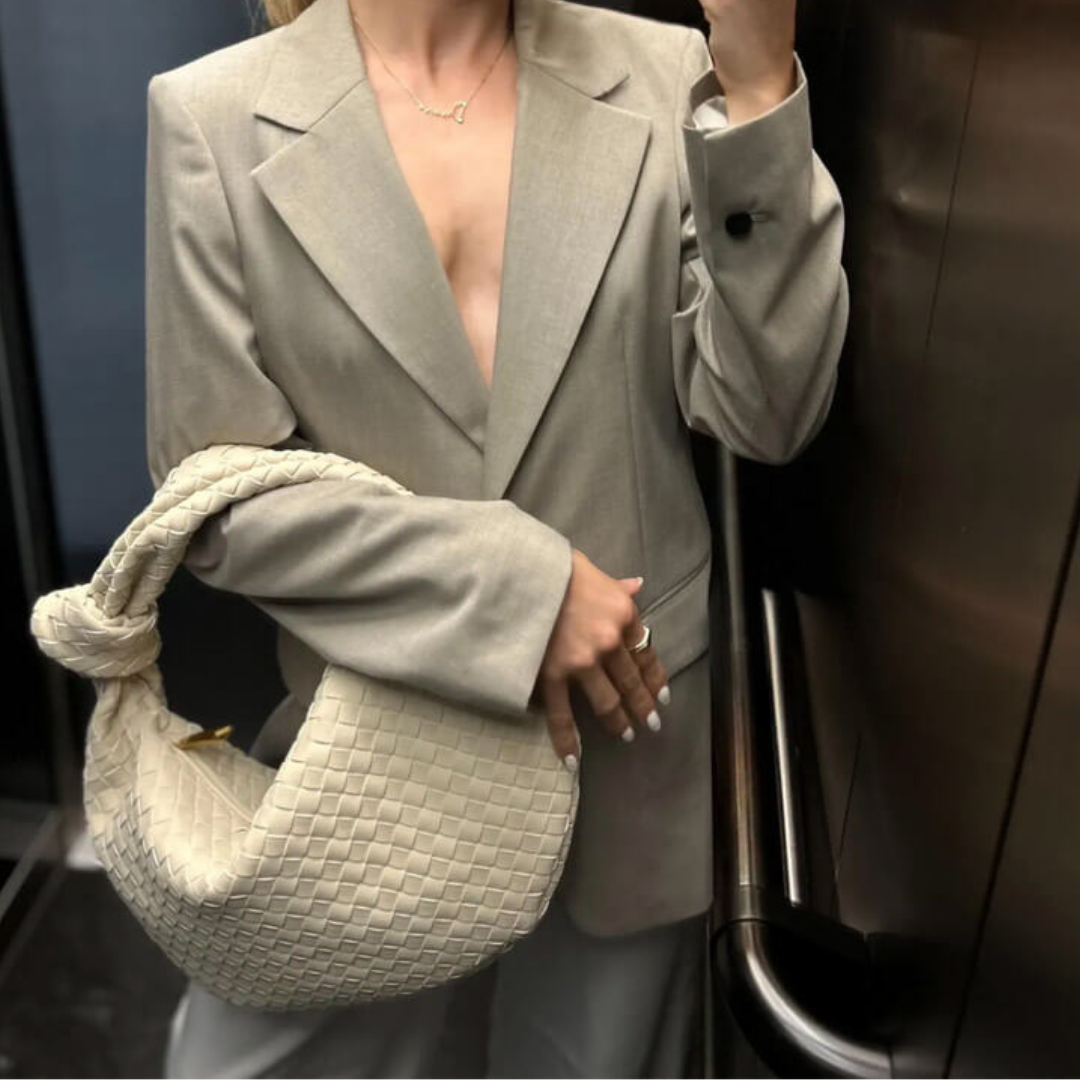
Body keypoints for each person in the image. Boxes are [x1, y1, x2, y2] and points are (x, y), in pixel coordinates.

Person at [146, 0, 848, 1073]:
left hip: (630, 749)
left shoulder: (664, 73)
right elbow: (216, 496)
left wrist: (756, 92)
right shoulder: (213, 115)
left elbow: (769, 412)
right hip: (374, 756)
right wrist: (518, 587)